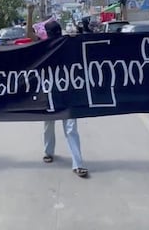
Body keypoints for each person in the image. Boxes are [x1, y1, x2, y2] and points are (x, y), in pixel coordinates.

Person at [38, 19, 89, 178]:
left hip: (67, 91)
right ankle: (48, 151)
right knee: (50, 124)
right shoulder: (43, 47)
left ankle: (78, 163)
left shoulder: (69, 44)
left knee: (70, 127)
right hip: (51, 92)